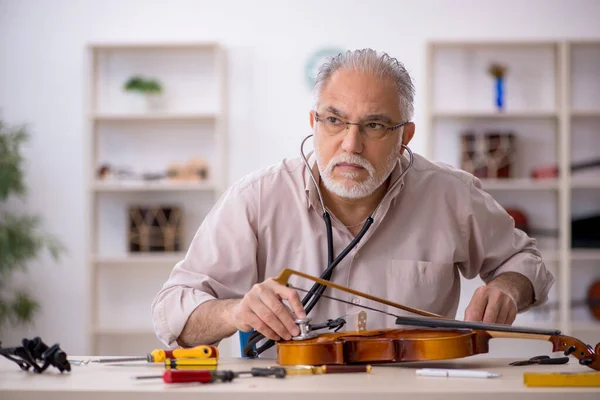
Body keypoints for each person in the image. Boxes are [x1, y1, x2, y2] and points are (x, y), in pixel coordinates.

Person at [150, 49, 555, 357]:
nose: (350, 144)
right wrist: (235, 313)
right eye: (334, 120)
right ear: (314, 122)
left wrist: (507, 289)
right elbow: (172, 312)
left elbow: (525, 264)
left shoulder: (451, 194)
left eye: (374, 125)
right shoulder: (257, 198)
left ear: (405, 136)